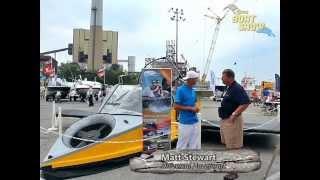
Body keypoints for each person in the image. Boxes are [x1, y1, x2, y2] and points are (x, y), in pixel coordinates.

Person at [219, 69, 250, 150]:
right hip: (225, 119)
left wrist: (234, 114)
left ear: (230, 77)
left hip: (232, 121)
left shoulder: (237, 88)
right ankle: (230, 160)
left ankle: (234, 161)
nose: (221, 78)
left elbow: (246, 102)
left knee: (233, 145)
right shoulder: (229, 87)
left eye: (223, 77)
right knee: (228, 143)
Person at [174, 70, 201, 150]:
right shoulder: (180, 90)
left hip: (195, 121)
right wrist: (190, 108)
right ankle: (177, 161)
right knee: (182, 144)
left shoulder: (193, 90)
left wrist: (196, 108)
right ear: (190, 79)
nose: (197, 80)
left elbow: (195, 102)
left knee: (193, 144)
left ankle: (190, 161)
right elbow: (175, 106)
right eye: (195, 79)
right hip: (185, 122)